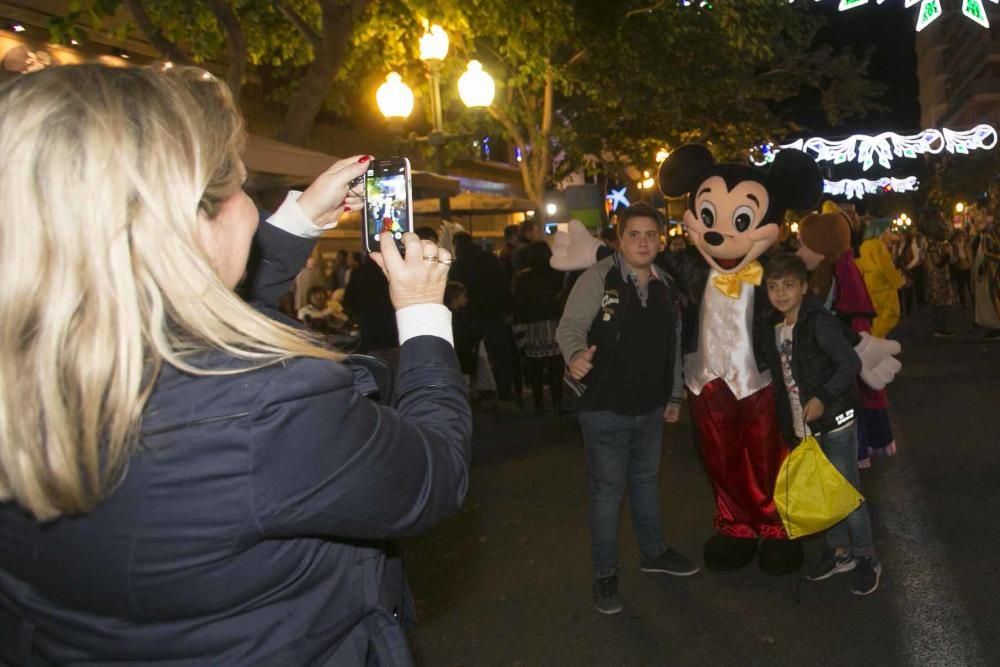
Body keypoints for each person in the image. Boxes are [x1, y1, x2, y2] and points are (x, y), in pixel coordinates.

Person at [0, 64, 471, 665]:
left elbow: (184, 301)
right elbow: (435, 470)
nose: (253, 211)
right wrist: (423, 313)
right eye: (243, 190)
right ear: (188, 223)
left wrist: (304, 218)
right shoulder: (269, 406)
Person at [556, 202, 696, 616]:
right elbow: (569, 327)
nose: (643, 242)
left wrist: (673, 396)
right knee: (607, 491)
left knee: (647, 482)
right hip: (603, 406)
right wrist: (576, 354)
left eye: (650, 235)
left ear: (661, 238)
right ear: (619, 238)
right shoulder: (598, 278)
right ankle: (605, 574)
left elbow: (672, 347)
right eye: (634, 234)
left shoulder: (666, 285)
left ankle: (654, 552)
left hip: (650, 406)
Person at [763, 254, 882, 596]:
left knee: (845, 491)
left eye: (788, 286)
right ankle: (840, 551)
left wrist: (823, 398)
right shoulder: (777, 329)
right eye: (773, 287)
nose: (781, 294)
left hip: (835, 420)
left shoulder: (818, 322)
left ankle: (866, 557)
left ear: (804, 287)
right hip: (805, 425)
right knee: (823, 490)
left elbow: (849, 363)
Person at [512, 241, 565, 414]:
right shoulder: (557, 274)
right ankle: (558, 401)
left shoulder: (522, 277)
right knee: (556, 365)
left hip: (533, 325)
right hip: (554, 323)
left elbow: (518, 303)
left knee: (535, 365)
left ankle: (538, 403)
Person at [972, 212, 1000, 340]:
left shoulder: (989, 233)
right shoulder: (986, 234)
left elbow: (989, 252)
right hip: (990, 271)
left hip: (993, 272)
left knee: (994, 299)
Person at [950, 228, 974, 309]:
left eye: (962, 236)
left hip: (968, 267)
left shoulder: (967, 245)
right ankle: (963, 303)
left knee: (970, 286)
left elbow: (970, 255)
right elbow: (952, 259)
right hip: (959, 269)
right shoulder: (954, 246)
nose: (961, 238)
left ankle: (974, 302)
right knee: (961, 287)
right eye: (959, 236)